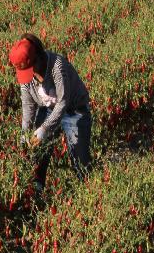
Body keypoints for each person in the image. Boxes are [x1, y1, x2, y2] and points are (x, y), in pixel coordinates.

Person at [9, 33, 92, 197]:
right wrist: (25, 134)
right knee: (38, 153)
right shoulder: (27, 77)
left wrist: (44, 129)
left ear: (38, 57)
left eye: (30, 70)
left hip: (73, 110)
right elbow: (28, 105)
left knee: (80, 159)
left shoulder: (57, 67)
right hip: (47, 109)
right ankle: (36, 192)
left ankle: (88, 193)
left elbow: (62, 103)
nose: (29, 76)